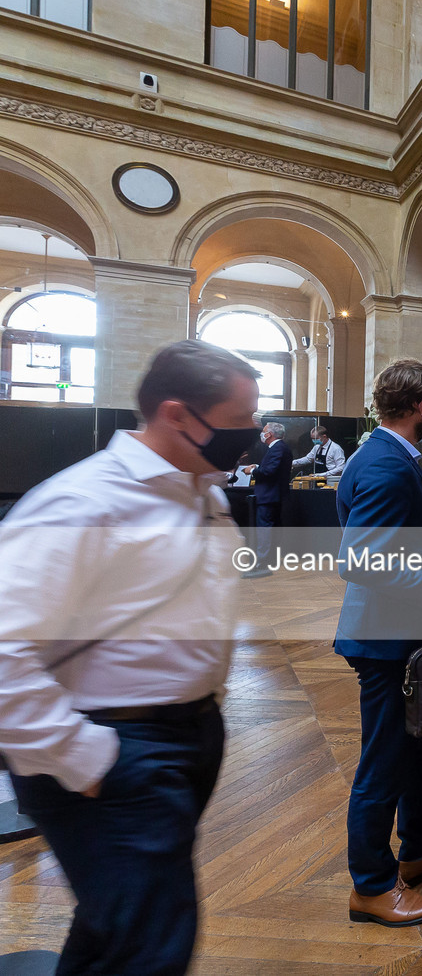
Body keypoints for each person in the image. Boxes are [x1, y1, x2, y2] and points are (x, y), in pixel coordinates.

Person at [0, 339, 261, 976]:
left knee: (117, 922)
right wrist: (85, 757)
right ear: (176, 415)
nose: (250, 439)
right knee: (151, 943)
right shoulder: (84, 504)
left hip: (187, 733)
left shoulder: (206, 492)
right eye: (237, 424)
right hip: (111, 746)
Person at [335, 359, 422, 928]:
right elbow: (360, 560)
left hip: (405, 634)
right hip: (387, 641)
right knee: (386, 760)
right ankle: (370, 886)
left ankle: (419, 848)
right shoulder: (388, 464)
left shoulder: (378, 456)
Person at [240, 421, 294, 578]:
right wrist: (258, 466)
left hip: (269, 495)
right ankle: (267, 560)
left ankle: (262, 563)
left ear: (269, 434)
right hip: (274, 495)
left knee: (265, 530)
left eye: (263, 432)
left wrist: (253, 470)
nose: (262, 435)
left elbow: (269, 471)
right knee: (271, 529)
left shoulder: (278, 448)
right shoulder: (280, 448)